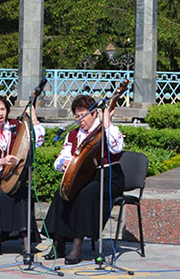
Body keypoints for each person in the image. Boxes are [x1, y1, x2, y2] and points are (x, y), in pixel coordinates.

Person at [43, 94, 125, 265]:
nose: (80, 119)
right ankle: (58, 242)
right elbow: (61, 158)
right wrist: (63, 163)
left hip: (108, 176)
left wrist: (107, 121)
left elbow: (117, 148)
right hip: (84, 176)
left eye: (83, 115)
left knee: (84, 195)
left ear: (94, 113)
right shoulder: (73, 134)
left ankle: (77, 245)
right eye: (77, 116)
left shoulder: (105, 128)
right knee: (62, 193)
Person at [0, 93, 45, 255]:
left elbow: (38, 141)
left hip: (14, 176)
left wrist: (33, 119)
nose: (0, 113)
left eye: (2, 109)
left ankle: (26, 239)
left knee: (23, 193)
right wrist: (0, 162)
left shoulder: (16, 126)